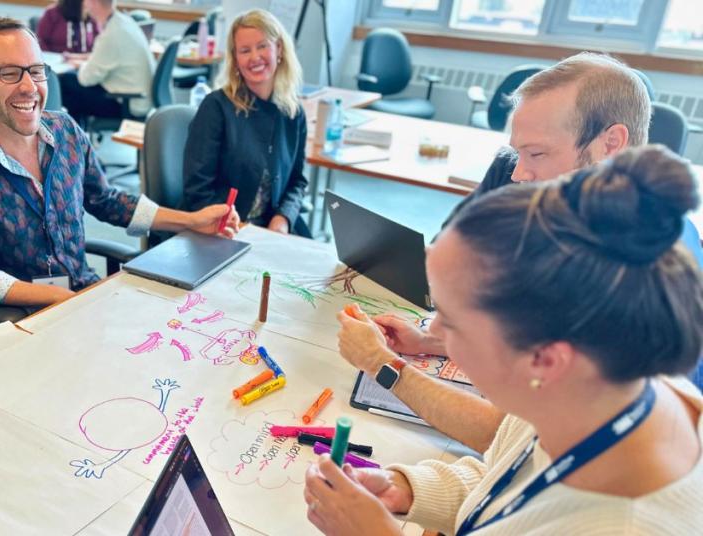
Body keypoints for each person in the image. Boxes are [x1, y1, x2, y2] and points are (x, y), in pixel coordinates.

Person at [305, 145, 703, 535]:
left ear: (545, 359)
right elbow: (510, 481)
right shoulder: (592, 385)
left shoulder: (627, 525)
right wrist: (405, 490)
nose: (435, 332)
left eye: (455, 323)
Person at [338, 52, 703, 453]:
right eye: (518, 154)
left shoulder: (627, 283)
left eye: (538, 154)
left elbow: (516, 440)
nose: (517, 174)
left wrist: (382, 365)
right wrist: (428, 343)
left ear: (610, 144)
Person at [0, 17, 239, 312]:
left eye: (36, 70)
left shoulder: (66, 132)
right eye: (8, 73)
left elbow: (106, 200)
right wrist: (61, 299)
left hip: (83, 296)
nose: (29, 86)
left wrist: (192, 221)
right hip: (22, 320)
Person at [183, 9, 309, 236]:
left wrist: (283, 218)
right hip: (221, 230)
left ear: (279, 49)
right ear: (236, 60)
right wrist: (229, 225)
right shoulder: (216, 107)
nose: (254, 57)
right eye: (244, 50)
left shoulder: (293, 112)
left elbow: (297, 181)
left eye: (262, 46)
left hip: (273, 230)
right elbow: (197, 189)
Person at [58, 0, 153, 123]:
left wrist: (78, 64)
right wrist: (80, 61)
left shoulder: (112, 34)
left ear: (94, 2)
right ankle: (78, 133)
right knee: (72, 82)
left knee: (66, 82)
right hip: (137, 98)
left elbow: (86, 79)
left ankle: (75, 137)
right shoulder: (123, 23)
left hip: (128, 105)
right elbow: (103, 57)